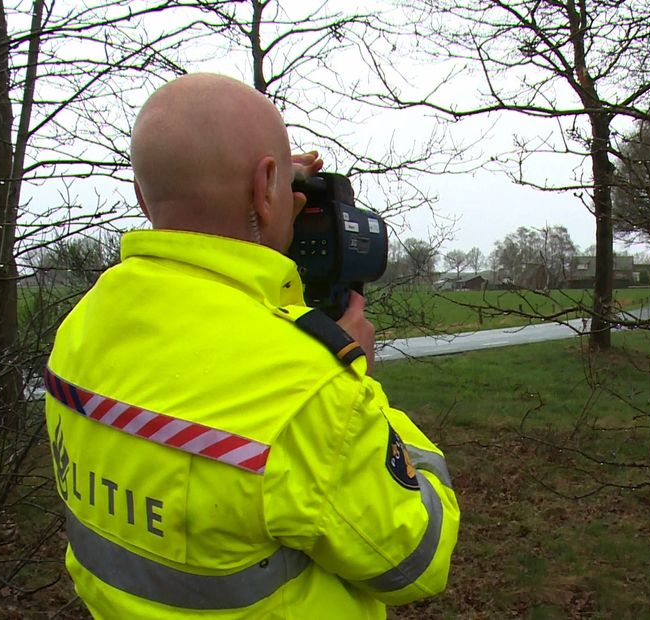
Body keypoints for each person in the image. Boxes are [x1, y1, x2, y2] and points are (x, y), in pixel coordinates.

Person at [44, 73, 460, 619]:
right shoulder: (306, 389)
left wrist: (263, 187)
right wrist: (358, 383)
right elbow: (416, 561)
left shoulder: (82, 326)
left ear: (143, 194)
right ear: (267, 187)